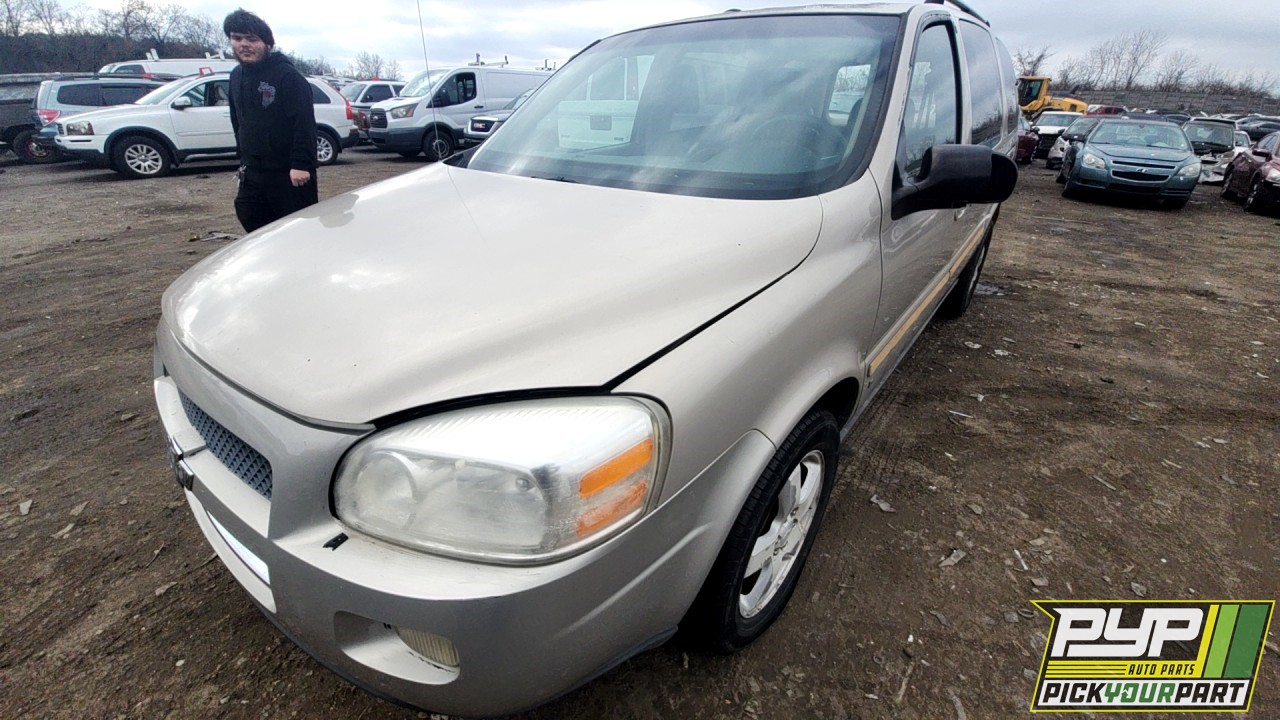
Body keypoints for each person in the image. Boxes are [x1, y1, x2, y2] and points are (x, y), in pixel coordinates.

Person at [223, 9, 318, 233]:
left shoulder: (288, 76)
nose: (244, 44)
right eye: (237, 38)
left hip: (289, 173)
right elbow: (238, 120)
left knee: (297, 230)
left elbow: (304, 124)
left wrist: (301, 164)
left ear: (267, 44)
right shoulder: (236, 76)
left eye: (252, 39)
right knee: (249, 215)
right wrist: (243, 156)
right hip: (253, 171)